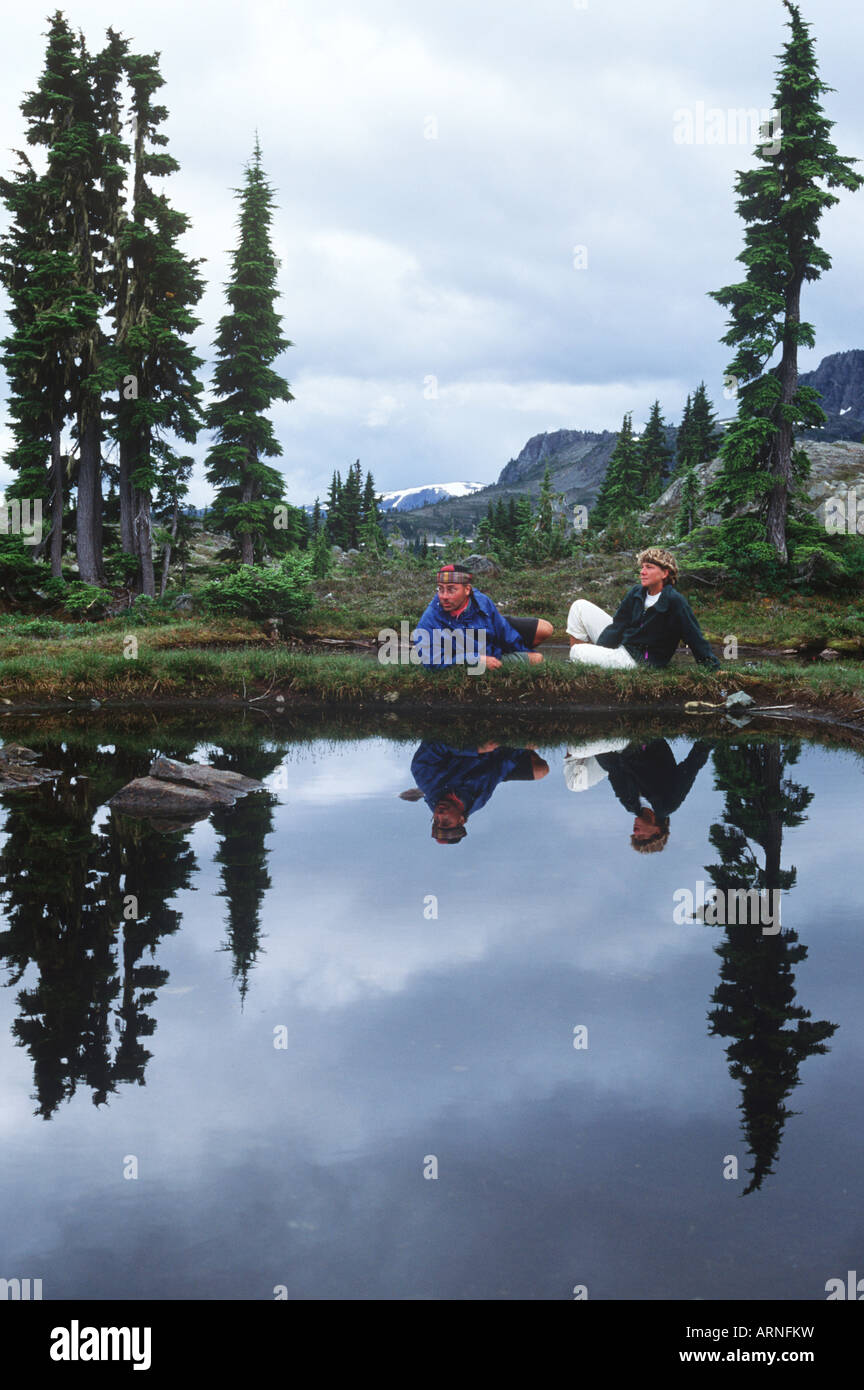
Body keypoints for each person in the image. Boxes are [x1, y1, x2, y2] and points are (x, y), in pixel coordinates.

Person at [566, 547, 719, 669]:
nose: (642, 572)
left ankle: (580, 661)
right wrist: (602, 650)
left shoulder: (674, 601)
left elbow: (694, 637)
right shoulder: (637, 592)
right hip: (622, 646)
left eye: (649, 567)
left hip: (639, 660)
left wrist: (712, 667)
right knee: (579, 607)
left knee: (578, 651)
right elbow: (617, 625)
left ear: (665, 573)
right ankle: (581, 665)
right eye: (642, 567)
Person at [564, 737, 711, 854]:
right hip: (640, 741)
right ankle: (589, 738)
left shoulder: (631, 806)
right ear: (658, 831)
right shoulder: (667, 804)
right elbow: (691, 767)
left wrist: (601, 751)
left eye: (634, 835)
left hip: (618, 750)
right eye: (641, 836)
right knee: (578, 748)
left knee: (574, 783)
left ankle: (590, 736)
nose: (635, 831)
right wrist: (708, 740)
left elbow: (614, 771)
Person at [412, 562, 553, 670]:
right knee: (537, 659)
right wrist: (474, 660)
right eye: (440, 589)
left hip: (491, 649)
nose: (444, 596)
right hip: (471, 659)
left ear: (467, 590)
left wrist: (523, 652)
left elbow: (504, 632)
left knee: (541, 643)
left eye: (451, 590)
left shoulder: (482, 601)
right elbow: (430, 660)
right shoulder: (431, 617)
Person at [409, 740, 549, 843]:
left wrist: (474, 748)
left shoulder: (425, 778)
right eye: (445, 821)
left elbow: (431, 744)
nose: (439, 815)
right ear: (461, 820)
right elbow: (496, 772)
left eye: (436, 821)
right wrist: (519, 747)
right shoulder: (477, 802)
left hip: (469, 746)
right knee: (541, 770)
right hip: (493, 759)